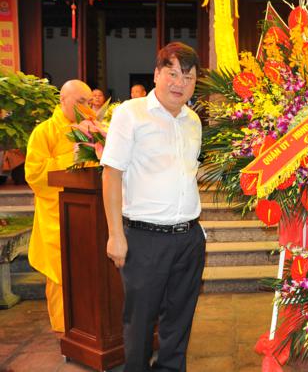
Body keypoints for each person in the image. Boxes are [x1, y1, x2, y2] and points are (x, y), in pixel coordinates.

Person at [101, 42, 205, 372]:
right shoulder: (131, 113)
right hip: (144, 239)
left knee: (179, 321)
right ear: (157, 74)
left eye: (188, 77)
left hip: (188, 239)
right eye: (172, 73)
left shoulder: (193, 121)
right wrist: (115, 234)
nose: (179, 83)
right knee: (140, 322)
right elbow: (111, 173)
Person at [24, 79, 92, 332]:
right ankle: (65, 330)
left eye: (89, 102)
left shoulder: (92, 128)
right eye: (80, 101)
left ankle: (88, 327)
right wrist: (71, 155)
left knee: (88, 271)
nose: (86, 107)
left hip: (88, 213)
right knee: (60, 274)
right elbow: (34, 174)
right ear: (63, 100)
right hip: (56, 215)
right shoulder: (44, 132)